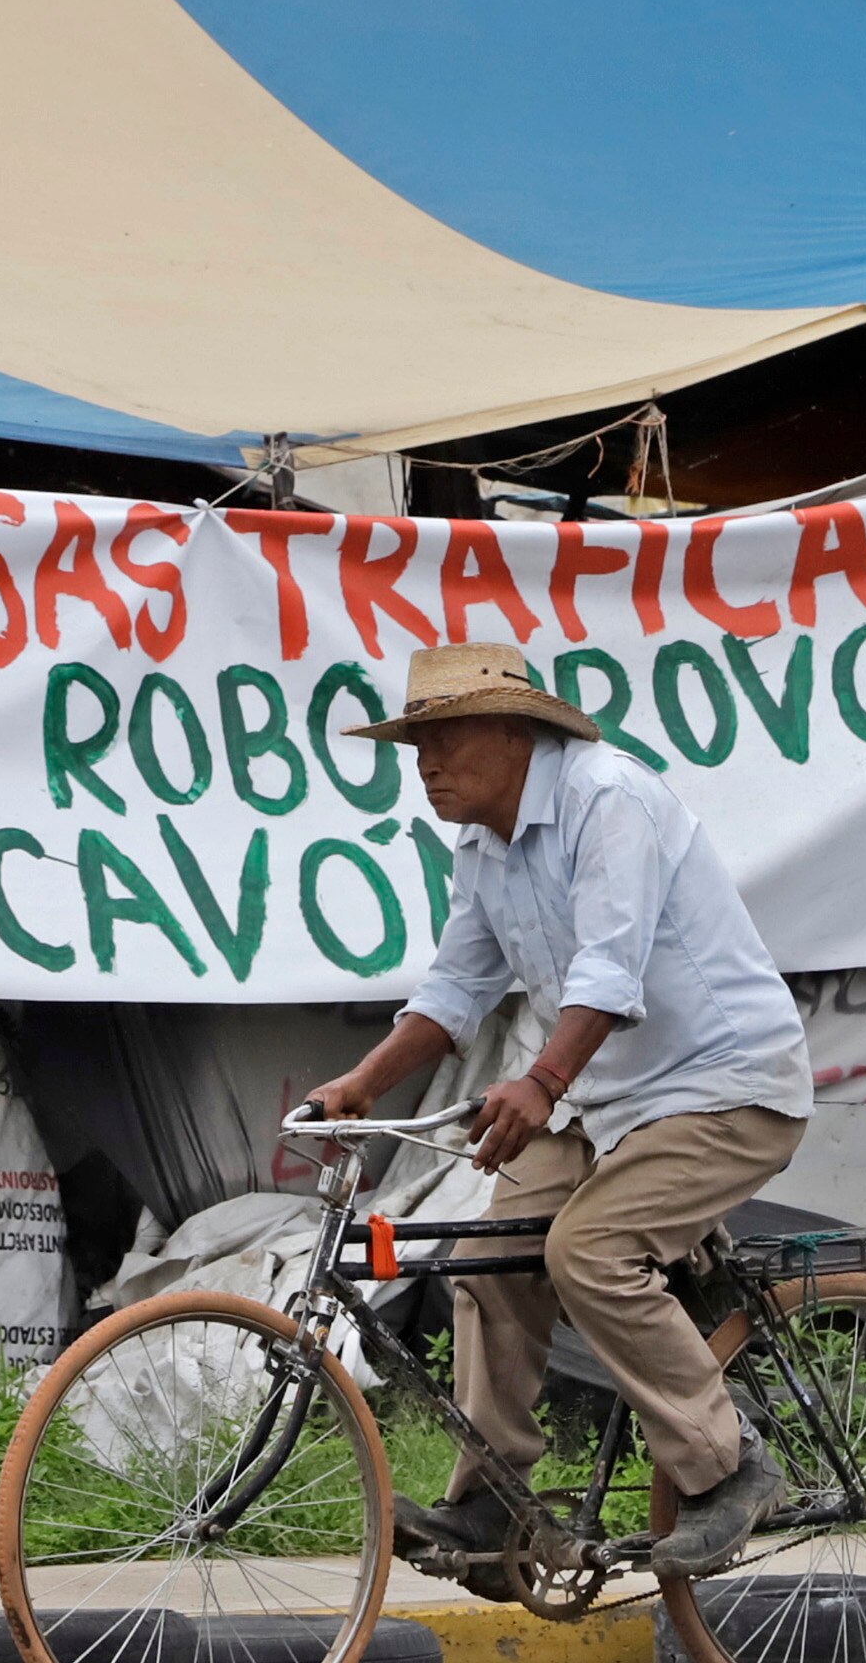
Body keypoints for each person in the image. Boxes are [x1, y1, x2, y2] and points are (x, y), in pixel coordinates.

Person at [306, 642, 811, 1577]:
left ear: (517, 732)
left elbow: (609, 971)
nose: (426, 764)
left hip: (723, 1087)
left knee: (589, 1252)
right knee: (489, 1265)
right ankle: (496, 1506)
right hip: (602, 1101)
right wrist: (362, 1083)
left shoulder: (606, 797)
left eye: (444, 738)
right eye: (416, 745)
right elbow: (456, 985)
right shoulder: (482, 846)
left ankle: (728, 1467)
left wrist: (539, 1083)